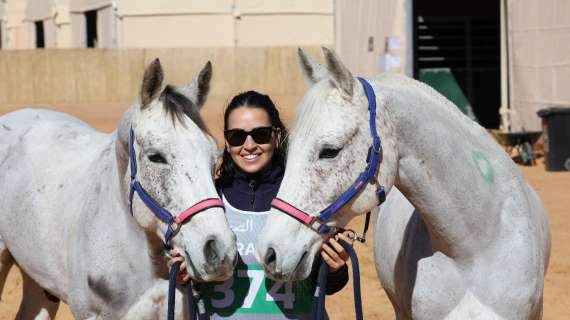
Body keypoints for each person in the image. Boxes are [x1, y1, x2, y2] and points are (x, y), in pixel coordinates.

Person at [169, 90, 353, 319]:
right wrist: (181, 275)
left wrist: (334, 268)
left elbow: (326, 285)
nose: (249, 145)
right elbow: (190, 282)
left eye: (261, 135)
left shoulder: (308, 199)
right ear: (226, 142)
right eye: (237, 136)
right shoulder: (205, 203)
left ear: (276, 137)